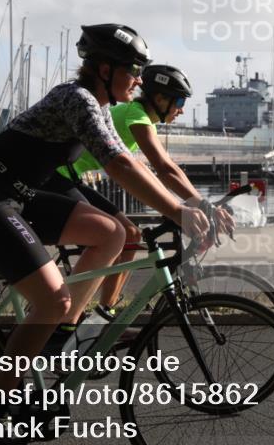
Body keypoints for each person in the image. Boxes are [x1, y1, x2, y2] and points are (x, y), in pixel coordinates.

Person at [0, 24, 209, 428]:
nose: (139, 79)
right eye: (133, 70)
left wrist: (188, 203)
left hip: (21, 194)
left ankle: (59, 334)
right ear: (104, 67)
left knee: (113, 233)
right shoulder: (77, 99)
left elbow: (133, 162)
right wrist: (180, 213)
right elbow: (117, 165)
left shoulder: (100, 107)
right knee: (54, 299)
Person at [49, 64, 234, 315]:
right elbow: (165, 168)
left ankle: (105, 314)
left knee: (131, 236)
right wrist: (197, 206)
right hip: (55, 178)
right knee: (121, 235)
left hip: (68, 176)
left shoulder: (140, 117)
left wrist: (186, 205)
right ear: (159, 98)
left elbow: (151, 171)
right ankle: (65, 318)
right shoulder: (135, 115)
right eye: (179, 101)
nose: (181, 109)